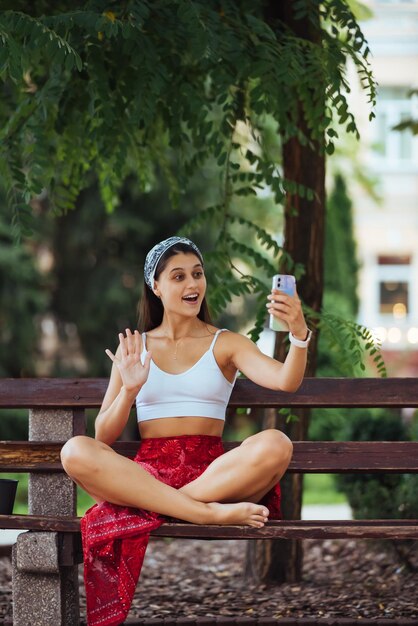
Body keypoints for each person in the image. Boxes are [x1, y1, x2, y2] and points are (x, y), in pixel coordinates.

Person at [60, 236, 311, 626]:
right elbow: (103, 437)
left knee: (276, 443)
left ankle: (171, 507)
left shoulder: (225, 343)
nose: (192, 284)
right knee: (74, 450)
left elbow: (285, 380)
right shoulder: (135, 347)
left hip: (212, 476)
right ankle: (206, 516)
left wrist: (297, 333)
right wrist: (129, 389)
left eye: (197, 274)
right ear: (156, 287)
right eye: (179, 276)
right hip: (149, 473)